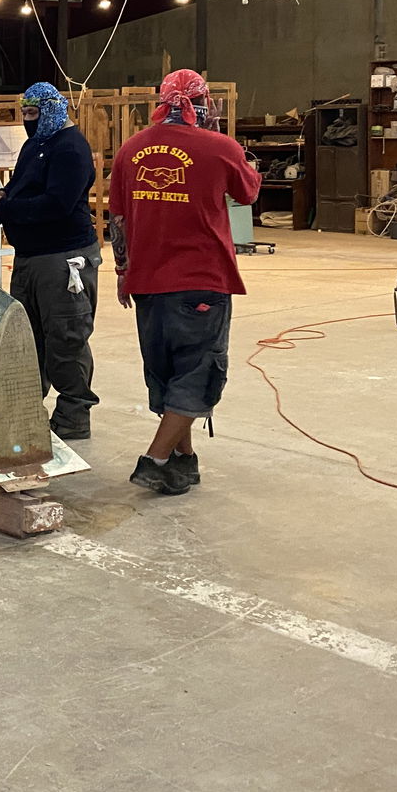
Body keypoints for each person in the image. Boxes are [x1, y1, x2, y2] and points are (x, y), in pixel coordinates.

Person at [108, 69, 261, 496]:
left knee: (168, 371)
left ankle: (182, 461)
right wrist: (240, 157)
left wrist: (123, 272)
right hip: (201, 280)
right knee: (198, 372)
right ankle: (155, 460)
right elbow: (248, 193)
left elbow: (117, 218)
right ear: (205, 102)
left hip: (147, 282)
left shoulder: (131, 149)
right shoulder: (220, 147)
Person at [0, 81, 100, 440]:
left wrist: (6, 208)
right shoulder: (36, 144)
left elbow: (57, 204)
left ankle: (74, 415)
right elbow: (24, 186)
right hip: (30, 257)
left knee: (65, 337)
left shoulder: (70, 149)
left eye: (33, 113)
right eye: (25, 114)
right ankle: (28, 408)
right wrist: (2, 195)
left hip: (62, 258)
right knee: (29, 339)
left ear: (52, 111)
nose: (28, 120)